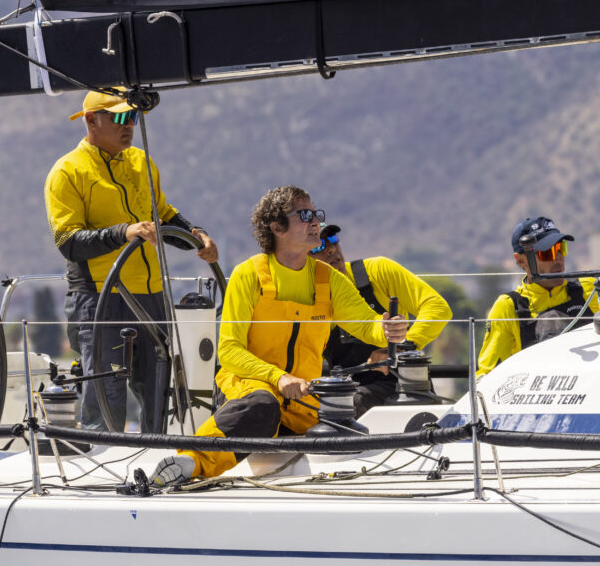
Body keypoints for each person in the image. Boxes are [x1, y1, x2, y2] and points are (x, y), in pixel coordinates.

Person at [149, 186, 407, 485]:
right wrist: (278, 378)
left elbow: (366, 324)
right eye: (305, 215)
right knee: (263, 405)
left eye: (317, 215)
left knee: (347, 411)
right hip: (249, 387)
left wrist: (387, 329)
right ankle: (190, 462)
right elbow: (229, 351)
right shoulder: (249, 274)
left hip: (303, 398)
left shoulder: (329, 279)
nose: (316, 223)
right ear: (276, 226)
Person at [44, 88, 219, 432]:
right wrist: (123, 232)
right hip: (98, 299)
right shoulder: (67, 172)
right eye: (121, 117)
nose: (130, 126)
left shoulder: (142, 161)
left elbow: (164, 215)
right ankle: (105, 470)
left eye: (134, 117)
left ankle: (160, 466)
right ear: (91, 120)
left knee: (160, 391)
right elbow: (68, 242)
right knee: (105, 398)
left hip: (152, 297)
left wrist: (196, 235)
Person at [313, 224, 452, 415]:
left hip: (398, 386)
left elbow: (437, 307)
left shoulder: (377, 271)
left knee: (349, 403)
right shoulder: (305, 296)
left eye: (333, 240)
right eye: (319, 245)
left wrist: (400, 349)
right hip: (337, 388)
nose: (331, 248)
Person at [477, 216, 600, 376]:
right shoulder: (508, 307)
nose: (558, 259)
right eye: (547, 253)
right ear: (521, 260)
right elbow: (487, 374)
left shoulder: (589, 288)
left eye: (561, 249)